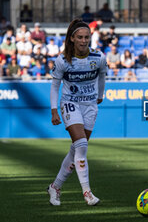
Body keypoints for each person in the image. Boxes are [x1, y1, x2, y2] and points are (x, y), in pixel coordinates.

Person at [47, 18, 107, 206]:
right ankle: (87, 192)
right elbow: (55, 85)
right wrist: (54, 110)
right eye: (80, 37)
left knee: (76, 150)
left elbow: (103, 76)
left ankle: (55, 187)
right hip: (70, 103)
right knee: (81, 144)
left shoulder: (98, 58)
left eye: (86, 37)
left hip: (90, 106)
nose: (83, 41)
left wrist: (100, 95)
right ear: (72, 38)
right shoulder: (63, 60)